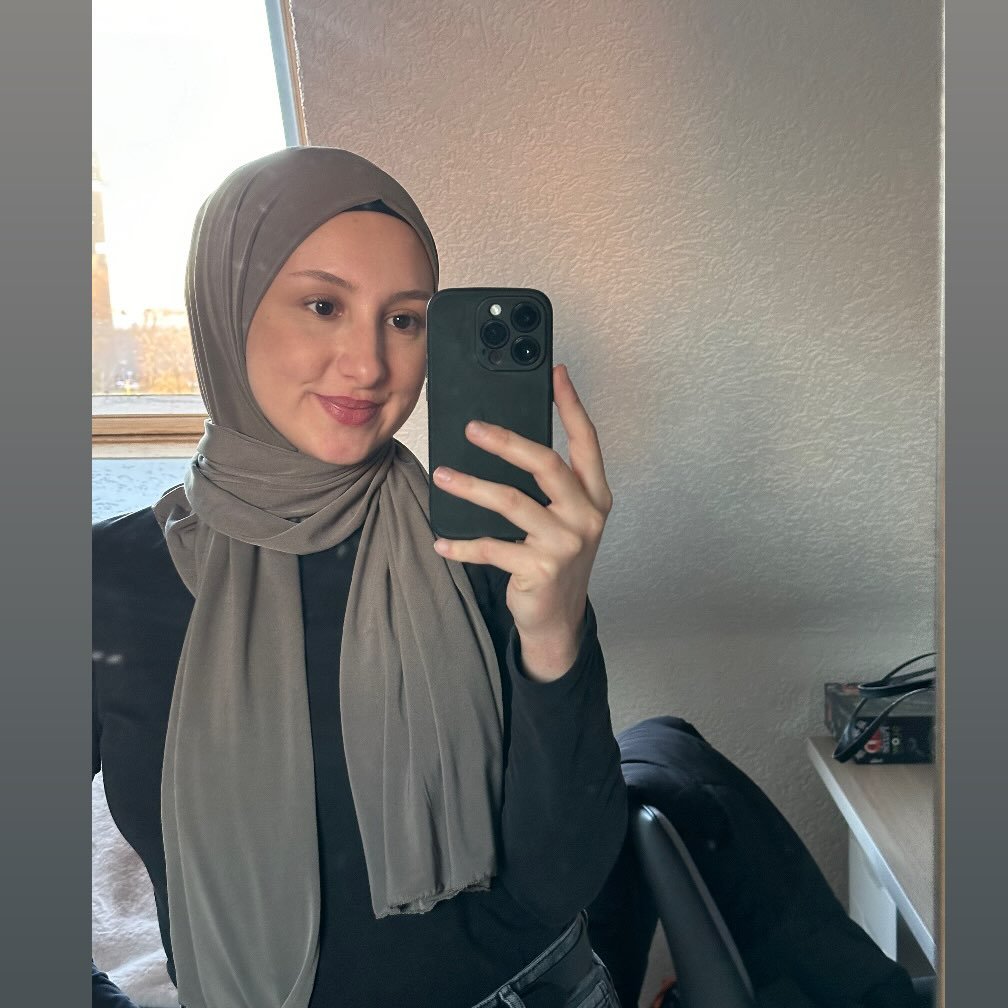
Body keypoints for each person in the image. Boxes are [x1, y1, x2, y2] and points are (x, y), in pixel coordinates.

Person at [92, 146, 628, 1008]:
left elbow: (562, 879)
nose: (371, 365)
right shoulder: (104, 582)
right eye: (323, 306)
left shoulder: (487, 543)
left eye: (404, 319)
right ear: (227, 310)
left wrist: (557, 632)